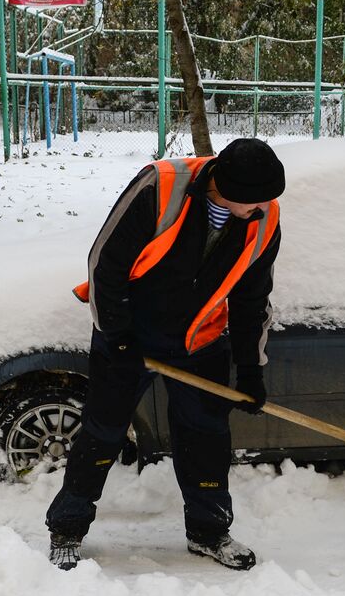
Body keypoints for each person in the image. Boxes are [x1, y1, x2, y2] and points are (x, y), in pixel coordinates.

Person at [45, 138, 286, 571]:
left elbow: (254, 299)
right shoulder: (161, 186)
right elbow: (105, 264)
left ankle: (210, 533)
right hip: (129, 336)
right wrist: (118, 338)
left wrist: (251, 369)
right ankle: (67, 528)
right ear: (225, 190)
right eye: (256, 201)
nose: (265, 208)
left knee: (206, 438)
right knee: (103, 432)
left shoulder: (263, 218)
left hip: (200, 341)